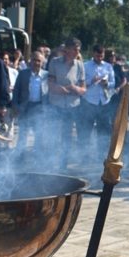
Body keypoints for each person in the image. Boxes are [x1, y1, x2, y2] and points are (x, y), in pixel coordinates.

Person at [47, 37, 86, 170]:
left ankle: (63, 165)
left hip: (71, 106)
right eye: (75, 49)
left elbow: (83, 88)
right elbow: (50, 83)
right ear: (67, 49)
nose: (77, 52)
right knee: (53, 134)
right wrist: (59, 89)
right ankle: (49, 163)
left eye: (78, 50)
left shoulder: (80, 65)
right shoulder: (54, 62)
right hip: (56, 105)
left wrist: (76, 89)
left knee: (67, 137)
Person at [82, 44, 116, 160]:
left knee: (104, 131)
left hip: (104, 102)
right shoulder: (85, 66)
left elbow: (113, 83)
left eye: (101, 56)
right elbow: (81, 83)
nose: (99, 58)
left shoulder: (108, 66)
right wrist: (92, 80)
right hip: (89, 102)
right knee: (86, 130)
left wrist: (107, 84)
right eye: (97, 56)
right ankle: (84, 156)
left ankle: (102, 156)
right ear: (93, 54)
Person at [12, 50, 49, 155]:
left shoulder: (47, 75)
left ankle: (37, 156)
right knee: (23, 133)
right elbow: (16, 91)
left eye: (39, 61)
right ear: (30, 61)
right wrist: (15, 106)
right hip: (25, 107)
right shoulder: (23, 74)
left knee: (39, 134)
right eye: (34, 60)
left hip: (40, 108)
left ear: (42, 62)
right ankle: (20, 156)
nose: (36, 63)